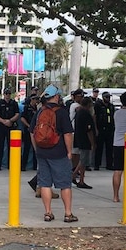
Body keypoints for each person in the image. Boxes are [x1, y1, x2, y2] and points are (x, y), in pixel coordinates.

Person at [29, 85, 78, 223]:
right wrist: (69, 152)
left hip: (42, 153)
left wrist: (37, 149)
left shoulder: (39, 112)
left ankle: (48, 213)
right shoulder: (62, 112)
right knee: (65, 184)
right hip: (59, 152)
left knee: (45, 183)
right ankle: (68, 214)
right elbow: (68, 134)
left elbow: (32, 132)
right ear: (56, 96)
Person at [0, 88, 20, 170]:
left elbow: (17, 114)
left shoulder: (13, 103)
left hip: (10, 125)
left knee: (10, 146)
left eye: (9, 93)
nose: (7, 95)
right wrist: (3, 121)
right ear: (3, 94)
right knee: (0, 145)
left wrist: (10, 120)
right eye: (6, 93)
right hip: (1, 126)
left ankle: (10, 164)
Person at [71, 97, 95, 189]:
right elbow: (88, 130)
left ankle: (73, 176)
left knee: (82, 160)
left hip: (79, 138)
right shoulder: (86, 114)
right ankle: (80, 180)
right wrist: (92, 143)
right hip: (85, 140)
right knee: (84, 161)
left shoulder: (79, 113)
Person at [93, 92, 115, 170]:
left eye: (109, 97)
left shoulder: (111, 106)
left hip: (109, 129)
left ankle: (109, 164)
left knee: (109, 148)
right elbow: (95, 116)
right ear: (103, 97)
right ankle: (97, 165)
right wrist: (96, 129)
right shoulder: (98, 105)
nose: (108, 99)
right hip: (101, 128)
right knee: (99, 148)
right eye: (106, 97)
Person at [20, 95, 39, 170]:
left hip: (36, 130)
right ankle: (23, 166)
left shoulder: (37, 108)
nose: (35, 101)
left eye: (36, 99)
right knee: (26, 148)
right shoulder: (26, 107)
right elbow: (22, 118)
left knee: (35, 148)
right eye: (34, 99)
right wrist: (28, 125)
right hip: (28, 129)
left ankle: (35, 165)